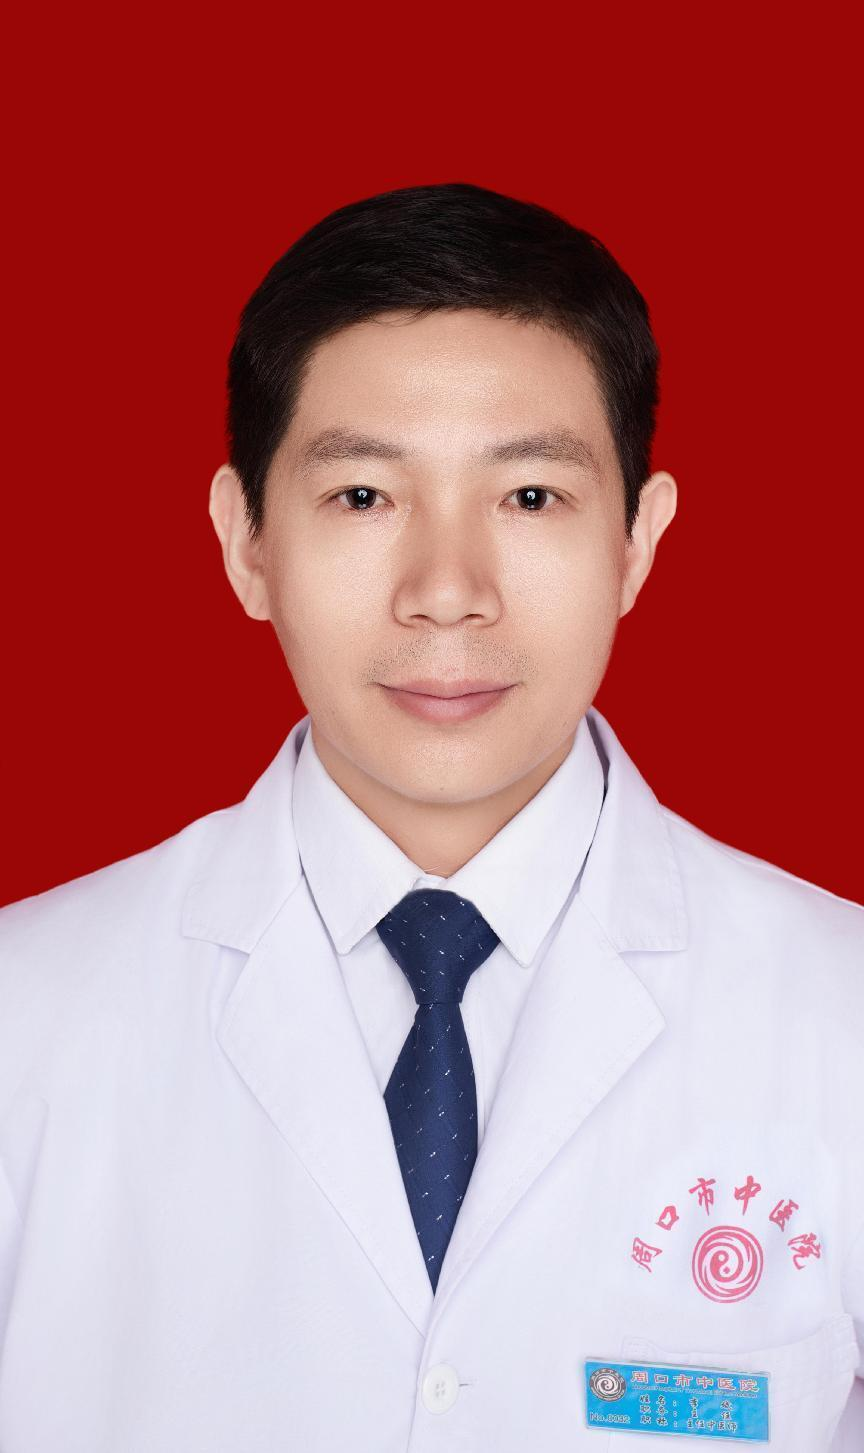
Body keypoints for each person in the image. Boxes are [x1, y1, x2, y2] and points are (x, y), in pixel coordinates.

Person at [0, 182, 861, 1452]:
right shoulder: (24, 1018)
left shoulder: (841, 1015)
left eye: (530, 498)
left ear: (637, 541)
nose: (447, 592)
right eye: (363, 497)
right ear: (246, 542)